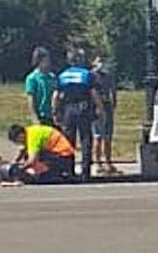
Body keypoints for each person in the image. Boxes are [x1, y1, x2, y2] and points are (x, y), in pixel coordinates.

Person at [53, 48, 104, 181]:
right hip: (83, 108)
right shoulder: (87, 74)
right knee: (86, 139)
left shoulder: (62, 75)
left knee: (69, 141)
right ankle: (85, 172)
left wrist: (56, 112)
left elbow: (56, 96)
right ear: (80, 60)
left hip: (68, 110)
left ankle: (69, 171)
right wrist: (100, 108)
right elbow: (94, 93)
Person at [7, 124, 75, 184]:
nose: (18, 143)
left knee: (40, 177)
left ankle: (55, 175)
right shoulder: (29, 131)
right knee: (32, 156)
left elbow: (31, 160)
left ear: (21, 135)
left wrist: (22, 168)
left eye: (17, 141)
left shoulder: (33, 137)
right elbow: (23, 150)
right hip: (58, 154)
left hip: (64, 156)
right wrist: (15, 161)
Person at [91, 56, 119, 176]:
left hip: (107, 106)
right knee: (98, 136)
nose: (101, 64)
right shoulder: (91, 75)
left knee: (108, 136)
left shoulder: (108, 76)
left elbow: (113, 90)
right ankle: (98, 163)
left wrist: (114, 102)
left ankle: (108, 161)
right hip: (97, 107)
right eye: (98, 61)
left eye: (103, 61)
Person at [24, 47, 56, 125]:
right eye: (45, 60)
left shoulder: (52, 77)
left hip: (52, 116)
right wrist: (34, 117)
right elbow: (31, 99)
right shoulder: (32, 78)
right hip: (41, 116)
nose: (48, 62)